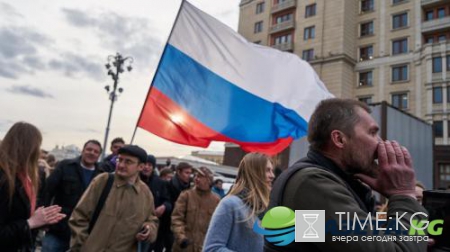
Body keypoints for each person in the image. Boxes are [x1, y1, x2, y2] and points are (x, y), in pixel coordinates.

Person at [266, 98, 427, 252]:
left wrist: (407, 238)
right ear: (339, 139)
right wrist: (403, 194)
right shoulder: (312, 184)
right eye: (372, 133)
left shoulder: (318, 181)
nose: (380, 142)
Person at [69, 145, 159, 251]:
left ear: (141, 167)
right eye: (119, 160)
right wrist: (83, 246)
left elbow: (152, 220)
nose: (121, 165)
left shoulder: (146, 194)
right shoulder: (102, 181)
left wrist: (149, 229)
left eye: (128, 162)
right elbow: (79, 217)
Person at [0, 122, 65, 251]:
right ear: (28, 147)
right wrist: (30, 223)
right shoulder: (3, 177)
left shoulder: (31, 175)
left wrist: (42, 221)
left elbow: (24, 216)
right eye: (37, 145)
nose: (39, 151)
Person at [204, 153, 275, 252]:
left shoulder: (265, 208)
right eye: (268, 170)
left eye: (272, 171)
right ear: (254, 173)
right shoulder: (230, 204)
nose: (272, 175)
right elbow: (211, 249)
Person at [42, 140, 103, 252]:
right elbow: (47, 191)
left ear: (99, 155)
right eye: (89, 149)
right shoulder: (65, 166)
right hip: (58, 228)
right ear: (83, 151)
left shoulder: (102, 174)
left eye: (96, 151)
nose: (92, 153)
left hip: (83, 233)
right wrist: (44, 217)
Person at [171, 167, 220, 252]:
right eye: (196, 175)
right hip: (184, 247)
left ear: (208, 180)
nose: (196, 178)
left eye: (200, 176)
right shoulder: (186, 195)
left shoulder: (216, 200)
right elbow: (176, 218)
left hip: (203, 248)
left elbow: (218, 226)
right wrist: (181, 238)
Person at [140, 154, 172, 252]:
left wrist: (164, 207)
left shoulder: (160, 183)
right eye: (145, 164)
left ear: (153, 167)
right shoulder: (134, 179)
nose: (146, 167)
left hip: (151, 226)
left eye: (150, 165)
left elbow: (168, 201)